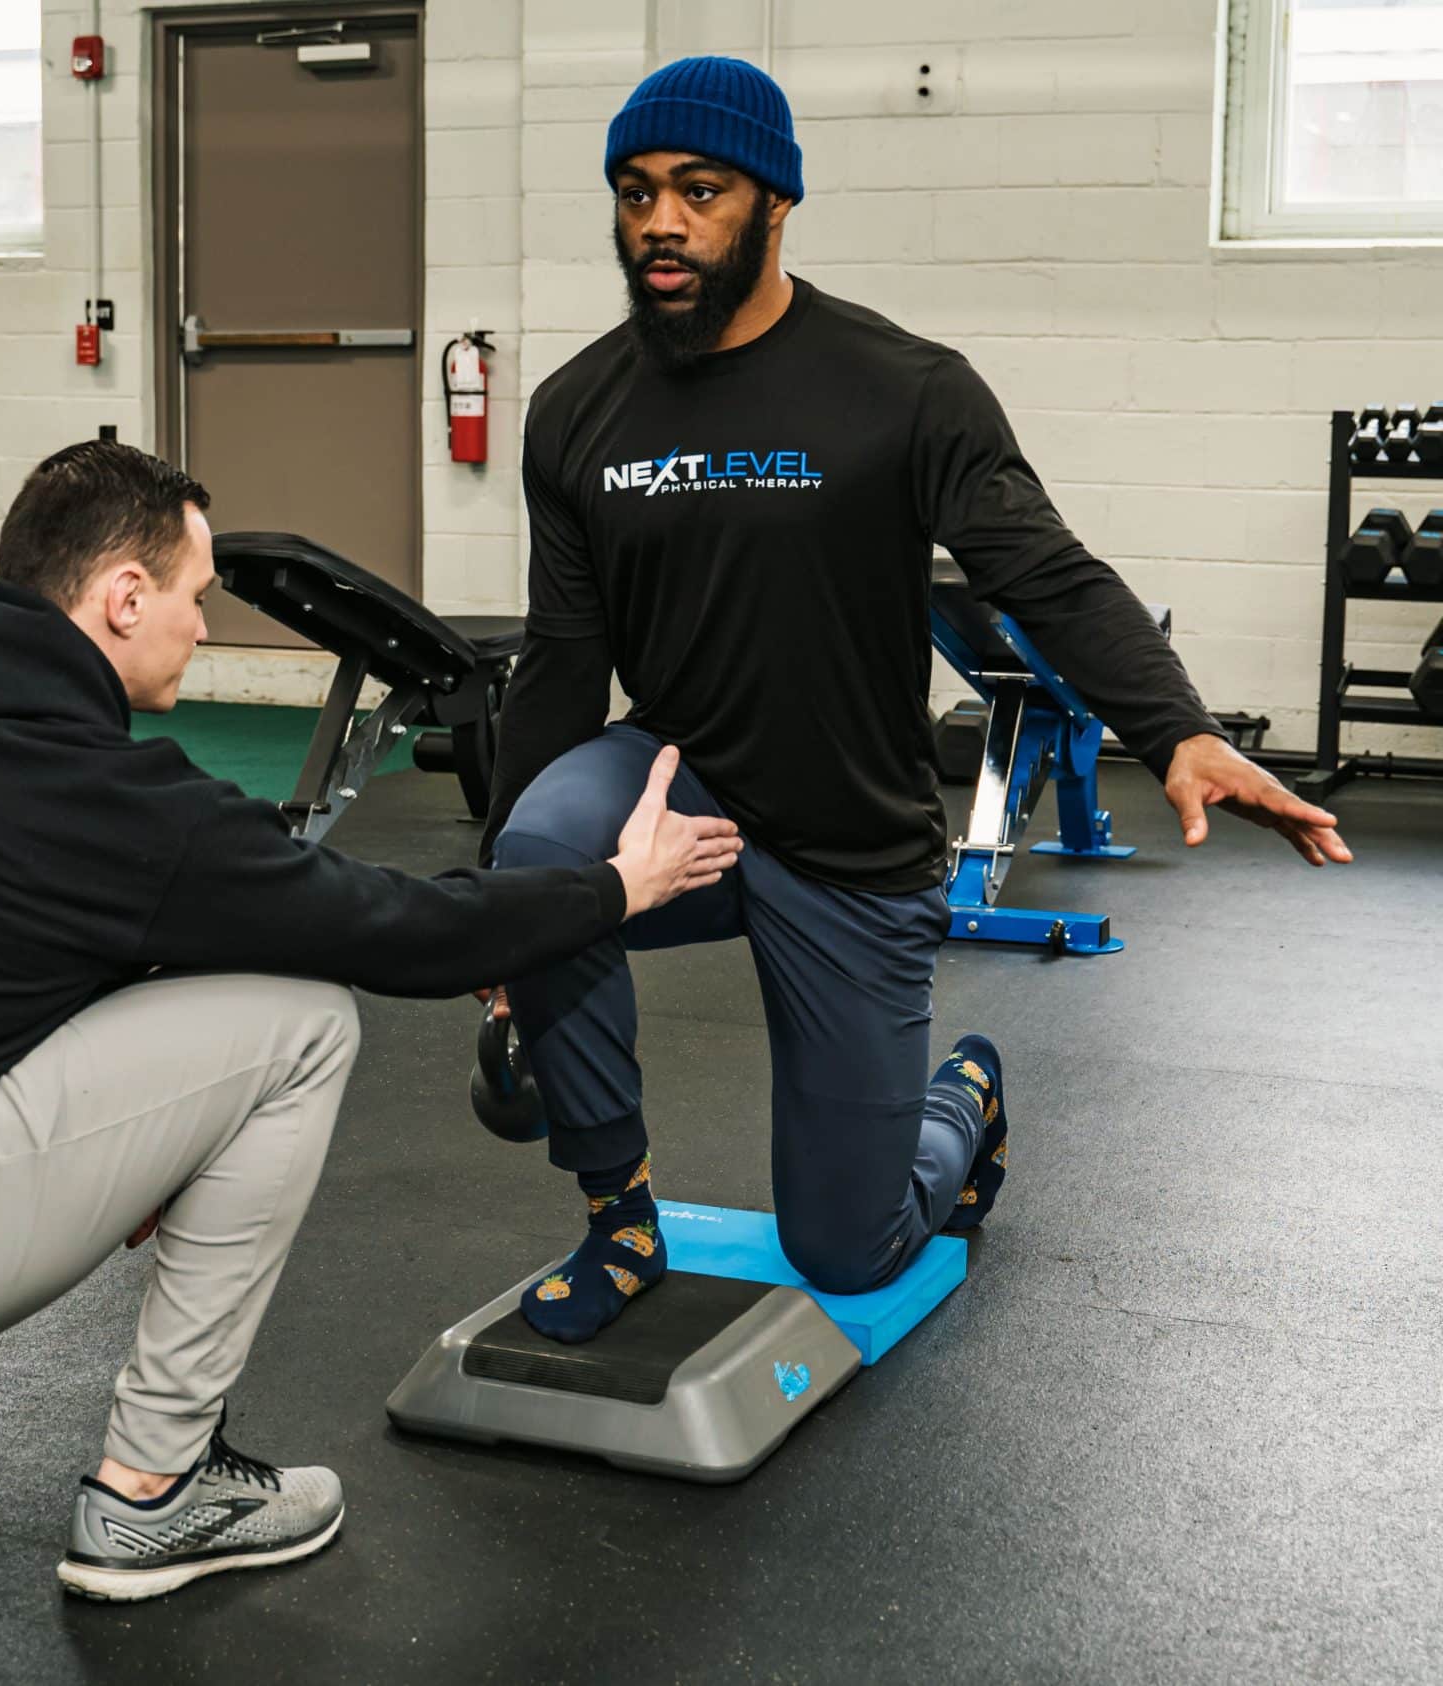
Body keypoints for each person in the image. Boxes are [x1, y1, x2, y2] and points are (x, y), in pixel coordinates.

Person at [0, 440, 743, 1601]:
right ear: (123, 598)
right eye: (193, 598)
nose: (202, 625)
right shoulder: (106, 798)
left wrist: (141, 1148)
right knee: (300, 1022)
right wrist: (616, 888)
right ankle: (157, 1494)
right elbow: (401, 934)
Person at [477, 56, 1353, 1347]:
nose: (659, 221)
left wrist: (1177, 726)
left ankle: (964, 1102)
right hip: (685, 794)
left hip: (849, 834)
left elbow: (1039, 568)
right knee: (546, 852)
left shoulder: (901, 389)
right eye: (635, 192)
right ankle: (621, 1214)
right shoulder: (576, 413)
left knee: (849, 1242)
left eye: (697, 191)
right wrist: (497, 919)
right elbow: (561, 659)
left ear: (775, 203)